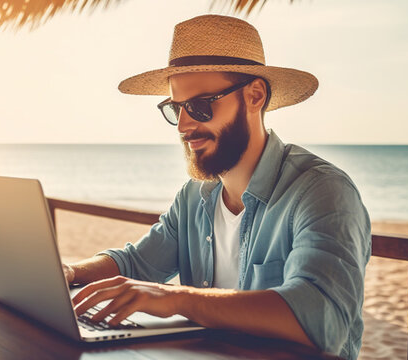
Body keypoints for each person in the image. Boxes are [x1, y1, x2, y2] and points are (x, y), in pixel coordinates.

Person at [63, 15, 370, 360]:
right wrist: (71, 272)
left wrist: (176, 299)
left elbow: (322, 320)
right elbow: (136, 263)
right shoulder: (194, 196)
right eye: (176, 108)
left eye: (199, 106)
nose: (183, 125)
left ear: (255, 96)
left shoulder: (322, 191)